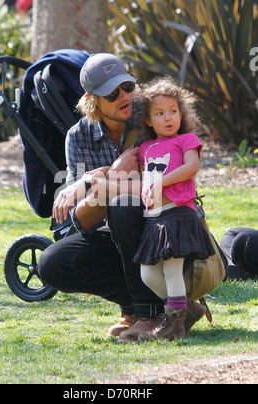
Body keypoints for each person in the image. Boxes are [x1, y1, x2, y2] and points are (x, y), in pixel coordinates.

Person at [38, 54, 210, 343]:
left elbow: (158, 191)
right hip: (114, 235)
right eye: (111, 93)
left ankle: (148, 313)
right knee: (52, 263)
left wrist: (97, 181)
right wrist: (101, 178)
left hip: (165, 227)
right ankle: (145, 307)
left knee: (123, 206)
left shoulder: (152, 117)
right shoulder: (78, 137)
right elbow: (83, 220)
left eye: (127, 86)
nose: (124, 97)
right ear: (92, 100)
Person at [133, 76, 216, 341]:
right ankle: (188, 309)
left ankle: (174, 327)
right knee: (148, 273)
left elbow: (191, 168)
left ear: (181, 113)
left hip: (178, 216)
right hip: (154, 219)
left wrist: (161, 182)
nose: (168, 118)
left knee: (171, 269)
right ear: (148, 119)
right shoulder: (145, 148)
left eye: (173, 111)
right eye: (160, 113)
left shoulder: (186, 140)